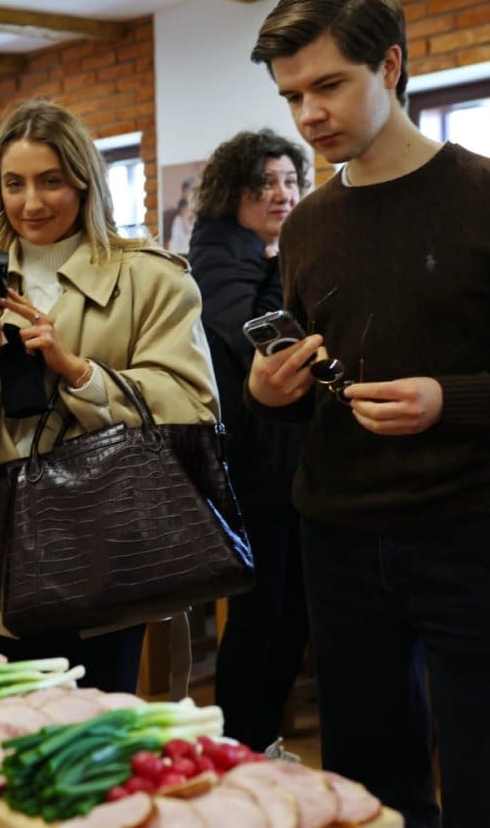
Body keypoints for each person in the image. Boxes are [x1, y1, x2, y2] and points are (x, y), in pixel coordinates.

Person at [247, 0, 490, 827]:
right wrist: (275, 392)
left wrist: (451, 399)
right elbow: (316, 383)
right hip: (337, 534)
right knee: (371, 786)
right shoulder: (306, 225)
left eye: (329, 85)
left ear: (392, 65)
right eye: (292, 95)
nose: (309, 116)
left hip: (473, 529)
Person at [0, 99, 221, 693]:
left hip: (109, 539)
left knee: (96, 719)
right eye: (13, 184)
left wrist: (78, 372)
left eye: (52, 181)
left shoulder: (151, 279)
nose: (31, 203)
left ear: (86, 183)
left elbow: (192, 411)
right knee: (2, 725)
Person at [188, 128, 309, 751]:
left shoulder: (255, 251)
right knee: (265, 618)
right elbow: (251, 337)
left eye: (290, 180)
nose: (281, 194)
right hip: (250, 466)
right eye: (265, 183)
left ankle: (255, 743)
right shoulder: (218, 251)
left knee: (286, 615)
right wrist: (286, 264)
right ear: (233, 191)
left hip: (274, 460)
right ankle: (240, 745)